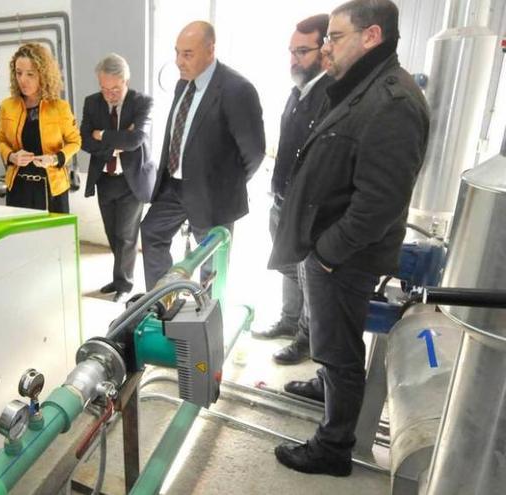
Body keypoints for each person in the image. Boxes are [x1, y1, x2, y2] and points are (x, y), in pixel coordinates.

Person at [269, 0, 429, 476]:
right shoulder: (361, 88)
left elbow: (378, 204)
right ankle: (326, 388)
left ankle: (333, 445)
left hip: (346, 256)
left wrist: (327, 254)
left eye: (335, 37)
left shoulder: (393, 102)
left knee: (341, 351)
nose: (325, 49)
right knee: (333, 342)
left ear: (372, 36)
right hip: (331, 249)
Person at [140, 20, 265, 291]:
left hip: (212, 193)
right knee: (151, 231)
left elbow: (254, 152)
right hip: (173, 187)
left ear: (210, 50)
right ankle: (162, 298)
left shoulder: (236, 90)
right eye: (176, 52)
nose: (178, 61)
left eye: (187, 54)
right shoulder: (182, 85)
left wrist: (226, 182)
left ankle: (207, 316)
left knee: (211, 259)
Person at [251, 14, 333, 368]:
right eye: (291, 51)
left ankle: (305, 337)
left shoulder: (331, 95)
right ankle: (288, 320)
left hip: (309, 206)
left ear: (325, 48)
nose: (294, 59)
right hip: (283, 197)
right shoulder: (298, 92)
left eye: (302, 51)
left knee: (306, 272)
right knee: (287, 266)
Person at [80, 53, 156, 302]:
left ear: (126, 80)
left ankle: (125, 283)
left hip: (131, 180)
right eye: (104, 88)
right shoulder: (92, 103)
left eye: (115, 88)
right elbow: (85, 140)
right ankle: (118, 276)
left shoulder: (142, 102)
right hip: (105, 179)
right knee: (112, 233)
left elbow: (134, 141)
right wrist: (115, 139)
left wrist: (101, 134)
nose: (109, 94)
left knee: (126, 235)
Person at [0, 43, 81, 213]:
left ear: (43, 75)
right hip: (18, 187)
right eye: (18, 73)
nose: (22, 80)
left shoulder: (60, 107)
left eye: (30, 74)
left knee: (54, 238)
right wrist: (11, 156)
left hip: (53, 188)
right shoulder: (7, 106)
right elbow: (1, 141)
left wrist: (55, 159)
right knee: (21, 237)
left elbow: (75, 142)